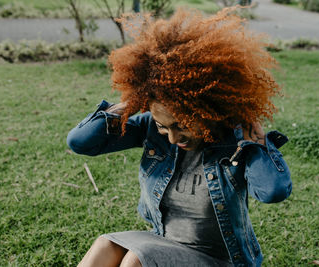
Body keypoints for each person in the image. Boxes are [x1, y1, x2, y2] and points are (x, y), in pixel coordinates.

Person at [67, 8, 292, 267]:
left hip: (219, 259)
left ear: (209, 108)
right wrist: (130, 102)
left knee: (136, 260)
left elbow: (273, 191)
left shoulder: (235, 144)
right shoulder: (151, 126)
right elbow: (80, 142)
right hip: (164, 243)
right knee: (105, 245)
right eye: (164, 127)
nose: (172, 138)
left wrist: (257, 143)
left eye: (182, 125)